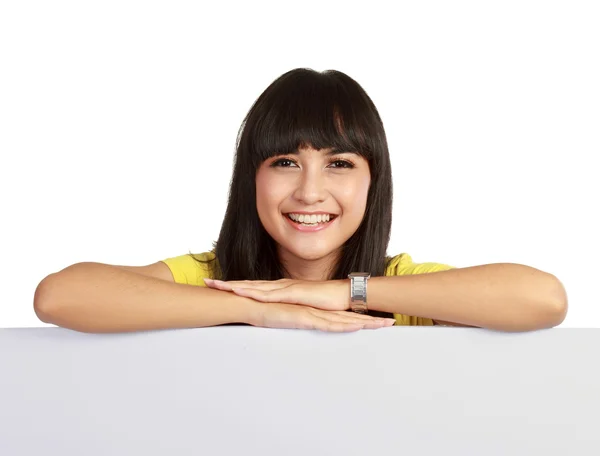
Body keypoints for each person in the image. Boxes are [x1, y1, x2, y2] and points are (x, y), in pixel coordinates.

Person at [33, 68, 568, 334]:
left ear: (372, 183)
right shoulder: (212, 277)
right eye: (285, 162)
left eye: (339, 164)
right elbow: (60, 296)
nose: (310, 191)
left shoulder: (404, 286)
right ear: (252, 179)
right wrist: (263, 310)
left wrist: (342, 294)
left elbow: (543, 299)